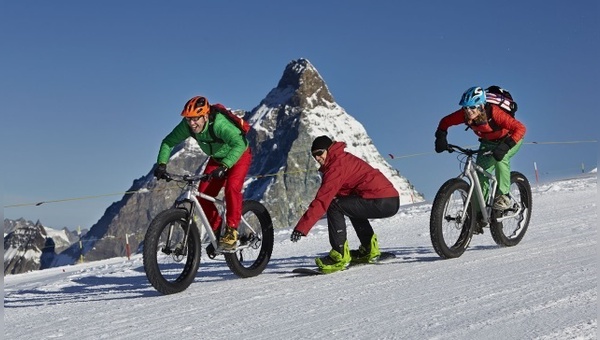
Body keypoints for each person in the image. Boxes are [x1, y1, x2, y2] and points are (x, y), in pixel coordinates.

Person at [153, 96, 252, 250]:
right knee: (203, 195)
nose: (192, 123)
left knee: (232, 188)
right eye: (188, 119)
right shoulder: (187, 126)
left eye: (195, 119)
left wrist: (225, 166)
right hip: (217, 159)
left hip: (239, 155)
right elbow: (168, 142)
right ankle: (220, 233)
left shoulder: (220, 124)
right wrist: (161, 164)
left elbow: (239, 144)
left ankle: (232, 231)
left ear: (205, 116)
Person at [290, 136, 400, 273]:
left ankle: (339, 255)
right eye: (314, 155)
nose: (317, 158)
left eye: (319, 153)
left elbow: (322, 200)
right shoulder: (341, 158)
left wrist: (302, 227)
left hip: (382, 200)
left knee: (334, 205)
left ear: (329, 150)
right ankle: (369, 250)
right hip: (389, 200)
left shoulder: (336, 167)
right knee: (350, 204)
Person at [434, 86, 526, 232]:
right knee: (480, 175)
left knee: (501, 159)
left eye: (472, 107)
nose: (468, 111)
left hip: (510, 139)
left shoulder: (495, 114)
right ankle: (478, 216)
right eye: (465, 108)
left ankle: (504, 196)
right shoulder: (464, 115)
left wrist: (504, 147)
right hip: (488, 143)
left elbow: (520, 129)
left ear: (482, 105)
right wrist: (441, 137)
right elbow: (445, 122)